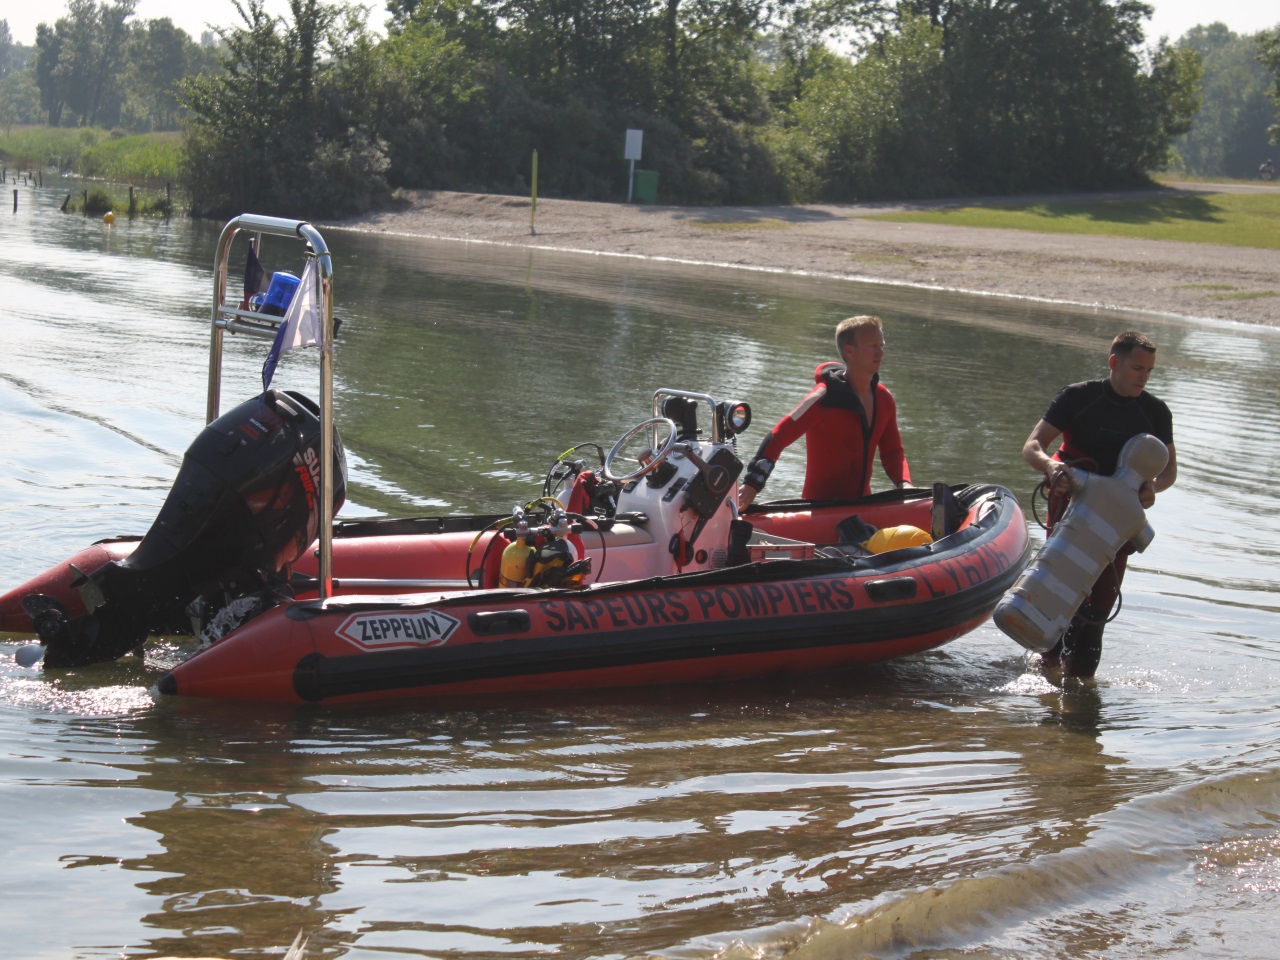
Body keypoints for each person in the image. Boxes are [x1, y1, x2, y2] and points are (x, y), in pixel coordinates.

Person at [1020, 331, 1178, 679]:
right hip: (1070, 505)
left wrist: (1152, 488)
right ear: (1114, 363)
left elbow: (1169, 471)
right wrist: (1050, 467)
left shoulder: (1155, 412)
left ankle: (1079, 687)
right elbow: (1032, 446)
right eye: (1137, 368)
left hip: (1118, 519)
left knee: (1098, 607)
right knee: (1058, 594)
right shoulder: (1078, 397)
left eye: (1149, 370)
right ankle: (1045, 680)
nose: (1143, 376)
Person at [739, 315, 910, 508]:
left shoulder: (884, 399)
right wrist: (752, 484)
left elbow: (893, 453)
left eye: (882, 345)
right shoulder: (821, 399)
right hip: (819, 510)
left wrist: (904, 484)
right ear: (850, 351)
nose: (881, 353)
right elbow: (778, 437)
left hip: (862, 507)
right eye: (873, 346)